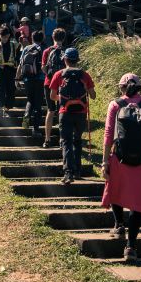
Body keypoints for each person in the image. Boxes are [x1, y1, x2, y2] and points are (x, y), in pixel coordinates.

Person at [100, 73, 141, 263]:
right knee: (137, 201)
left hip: (120, 158)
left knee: (116, 190)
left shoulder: (116, 104)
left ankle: (119, 225)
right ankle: (131, 247)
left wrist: (105, 162)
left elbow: (109, 133)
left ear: (122, 88)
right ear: (140, 87)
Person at [47, 47, 96, 184]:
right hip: (80, 113)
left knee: (66, 142)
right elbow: (93, 96)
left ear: (65, 60)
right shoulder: (84, 75)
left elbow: (52, 96)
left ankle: (68, 173)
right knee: (77, 141)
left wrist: (64, 99)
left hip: (65, 112)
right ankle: (78, 171)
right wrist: (83, 93)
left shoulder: (59, 74)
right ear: (77, 60)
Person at [40, 27, 69, 148]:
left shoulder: (47, 51)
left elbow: (43, 68)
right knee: (62, 111)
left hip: (49, 83)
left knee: (50, 111)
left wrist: (50, 75)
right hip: (63, 84)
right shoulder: (66, 51)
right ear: (64, 38)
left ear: (53, 37)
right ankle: (63, 139)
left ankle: (47, 139)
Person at [0, 25, 19, 124]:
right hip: (0, 70)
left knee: (11, 91)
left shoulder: (14, 45)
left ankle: (6, 110)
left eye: (6, 37)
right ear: (0, 36)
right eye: (3, 37)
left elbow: (18, 57)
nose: (5, 39)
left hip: (11, 70)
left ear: (9, 36)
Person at [19, 30, 45, 135]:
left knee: (30, 100)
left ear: (32, 39)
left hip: (27, 79)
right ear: (42, 39)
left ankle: (26, 115)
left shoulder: (26, 48)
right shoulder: (44, 49)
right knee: (38, 104)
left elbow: (21, 64)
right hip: (40, 79)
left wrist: (17, 79)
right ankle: (36, 129)